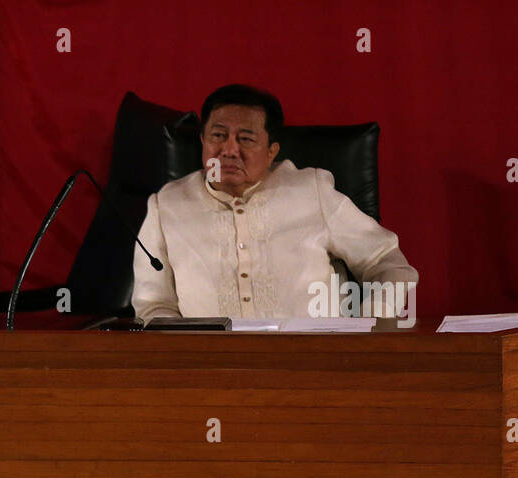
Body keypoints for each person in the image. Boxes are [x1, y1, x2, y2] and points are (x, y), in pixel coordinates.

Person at [133, 84, 418, 322]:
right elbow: (153, 303)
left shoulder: (311, 191)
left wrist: (372, 321)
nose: (230, 150)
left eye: (246, 139)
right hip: (211, 371)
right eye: (218, 136)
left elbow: (386, 260)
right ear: (202, 141)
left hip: (317, 363)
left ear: (271, 152)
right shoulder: (166, 206)